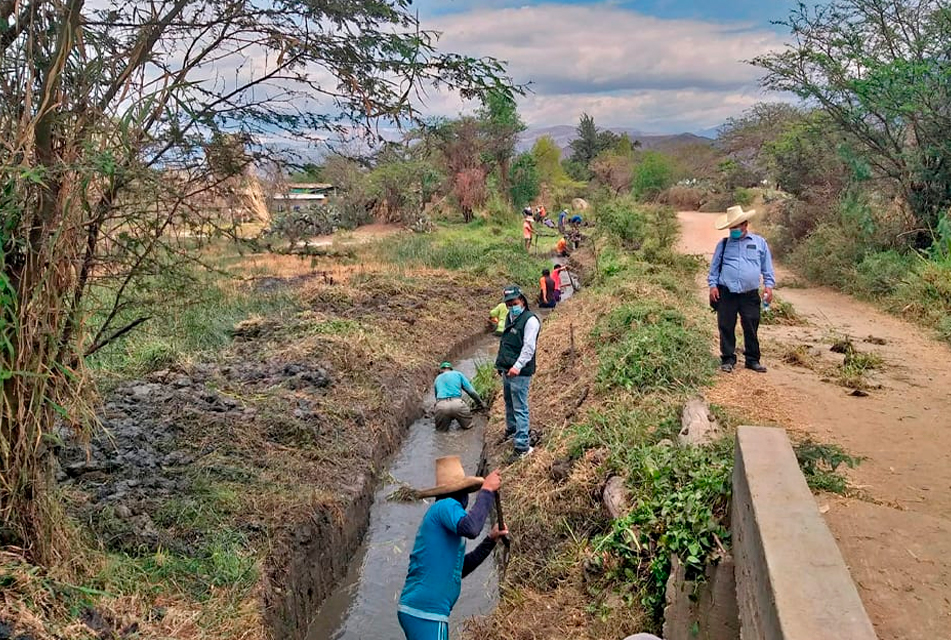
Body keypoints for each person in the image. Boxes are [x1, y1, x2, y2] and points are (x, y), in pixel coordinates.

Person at [398, 457, 507, 640]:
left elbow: (459, 569)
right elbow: (472, 528)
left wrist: (490, 540)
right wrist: (487, 491)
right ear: (461, 494)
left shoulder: (443, 521)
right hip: (426, 612)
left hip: (421, 611)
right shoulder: (446, 506)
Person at [708, 205, 776, 374]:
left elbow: (767, 268)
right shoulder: (723, 245)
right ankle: (728, 359)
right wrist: (713, 286)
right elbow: (714, 268)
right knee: (726, 325)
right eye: (732, 227)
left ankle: (752, 360)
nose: (734, 230)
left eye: (737, 226)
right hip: (727, 292)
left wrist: (769, 286)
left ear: (745, 225)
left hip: (749, 294)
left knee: (751, 325)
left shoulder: (759, 243)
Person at [495, 285, 540, 457]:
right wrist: (502, 365)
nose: (511, 306)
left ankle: (522, 446)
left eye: (513, 302)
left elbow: (529, 348)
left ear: (521, 300)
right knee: (509, 402)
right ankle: (512, 430)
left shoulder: (530, 321)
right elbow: (506, 343)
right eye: (508, 304)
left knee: (520, 407)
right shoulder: (510, 317)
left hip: (519, 372)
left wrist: (517, 366)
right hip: (507, 369)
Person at [433, 362, 484, 431]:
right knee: (469, 429)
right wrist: (480, 403)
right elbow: (471, 392)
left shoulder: (437, 379)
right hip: (458, 404)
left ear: (441, 370)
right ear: (451, 369)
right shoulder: (458, 374)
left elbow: (437, 398)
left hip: (441, 406)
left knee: (441, 432)